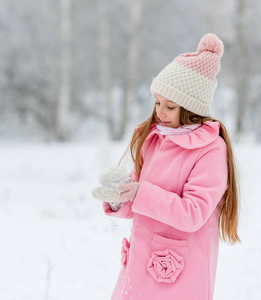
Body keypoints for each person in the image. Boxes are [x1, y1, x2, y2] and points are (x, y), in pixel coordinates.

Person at [98, 33, 240, 300]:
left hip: (179, 269)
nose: (160, 112)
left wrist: (141, 193)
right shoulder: (155, 138)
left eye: (170, 106)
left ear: (191, 108)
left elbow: (194, 212)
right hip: (141, 260)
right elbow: (140, 188)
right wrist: (121, 197)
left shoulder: (210, 149)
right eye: (157, 102)